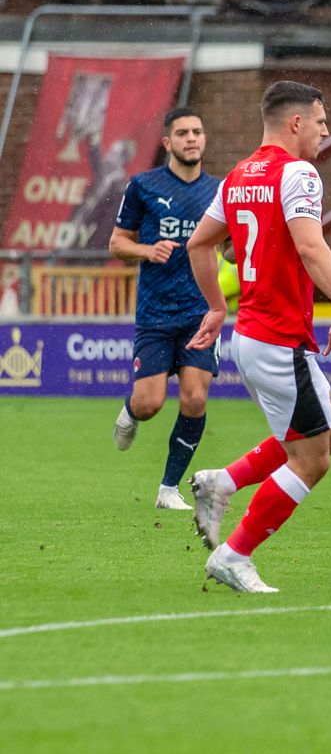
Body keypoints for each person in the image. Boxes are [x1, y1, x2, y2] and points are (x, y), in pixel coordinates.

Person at [184, 80, 331, 593]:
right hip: (275, 339)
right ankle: (234, 554)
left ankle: (221, 482)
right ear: (296, 123)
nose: (325, 131)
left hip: (256, 334)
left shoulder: (239, 175)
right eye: (320, 121)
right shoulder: (299, 174)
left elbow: (201, 244)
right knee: (313, 459)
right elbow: (312, 249)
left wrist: (217, 307)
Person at [108, 107, 220, 510]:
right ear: (167, 143)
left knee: (195, 398)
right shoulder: (143, 186)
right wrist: (145, 249)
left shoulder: (219, 192)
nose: (192, 138)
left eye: (198, 131)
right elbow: (117, 243)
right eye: (183, 133)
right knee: (149, 403)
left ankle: (168, 490)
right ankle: (129, 411)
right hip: (155, 314)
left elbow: (231, 243)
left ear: (204, 140)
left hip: (200, 313)